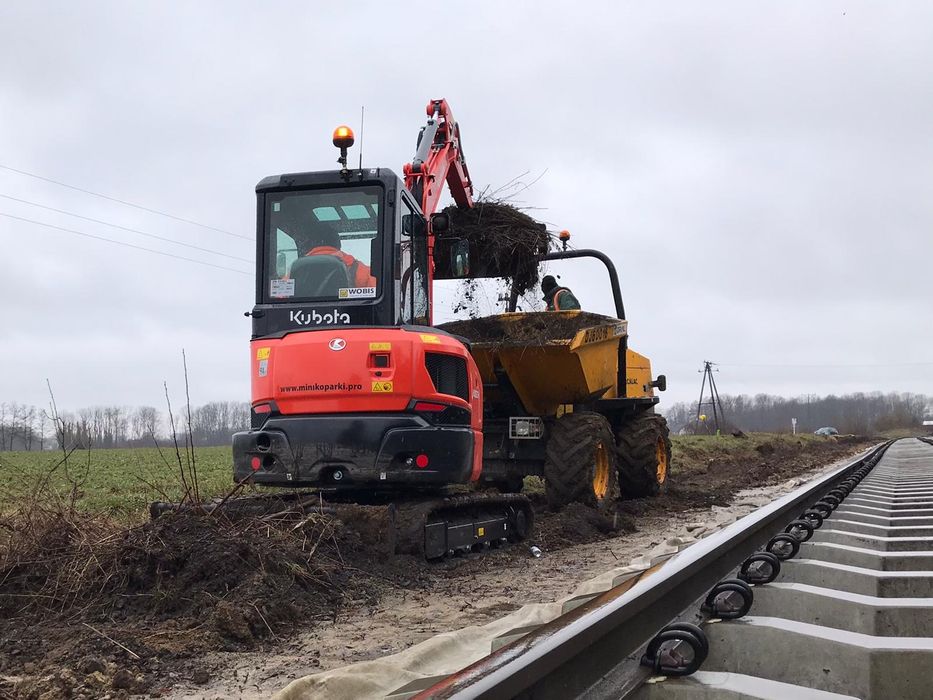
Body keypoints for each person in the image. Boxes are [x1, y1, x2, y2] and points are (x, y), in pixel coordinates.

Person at [297, 226, 377, 288]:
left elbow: (284, 298)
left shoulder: (295, 271)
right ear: (338, 244)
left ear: (309, 245)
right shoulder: (357, 268)